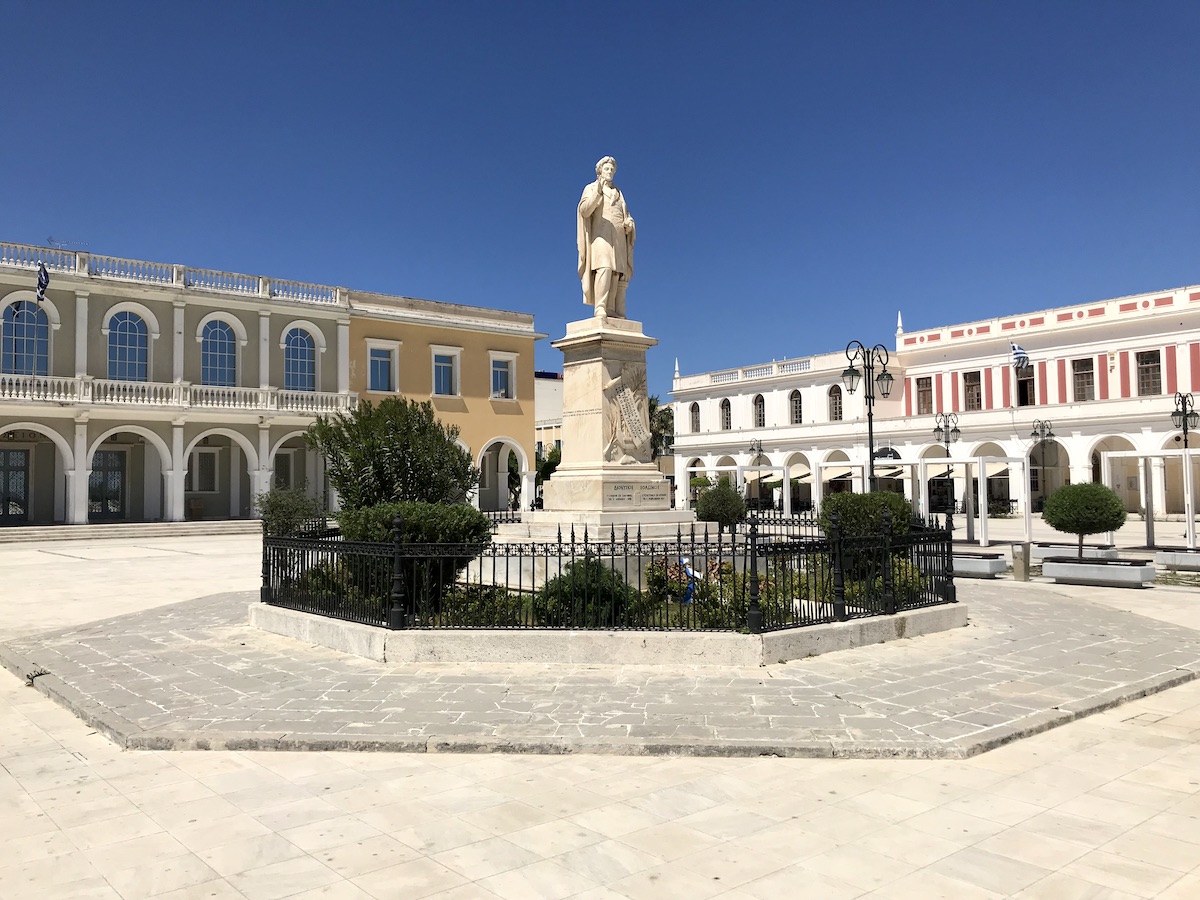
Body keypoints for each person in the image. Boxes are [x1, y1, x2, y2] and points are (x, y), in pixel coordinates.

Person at [577, 156, 635, 320]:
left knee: (616, 273)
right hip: (600, 235)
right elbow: (584, 210)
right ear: (599, 171)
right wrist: (598, 193)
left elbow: (627, 215)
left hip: (618, 237)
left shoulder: (618, 193)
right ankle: (600, 307)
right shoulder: (591, 188)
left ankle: (611, 308)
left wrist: (629, 223)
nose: (610, 172)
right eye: (607, 169)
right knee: (604, 268)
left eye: (612, 169)